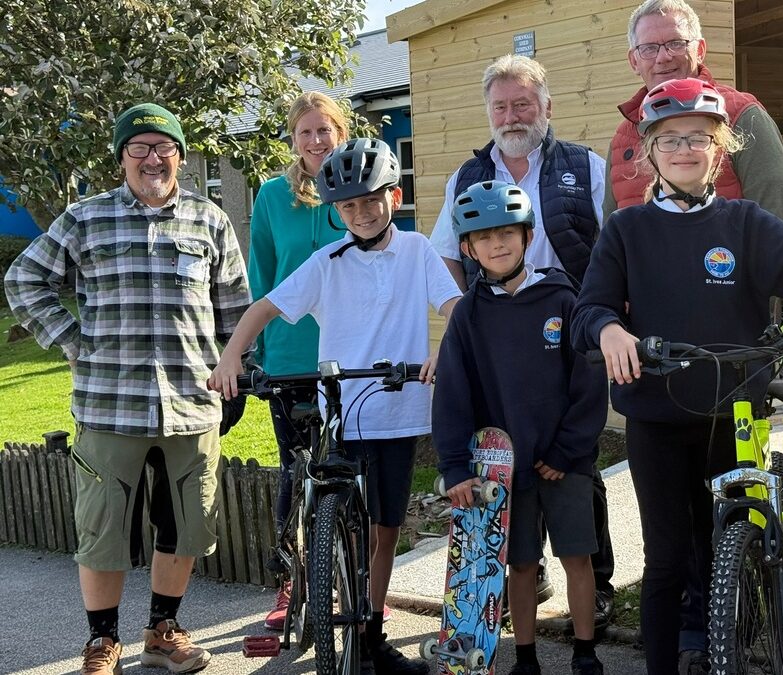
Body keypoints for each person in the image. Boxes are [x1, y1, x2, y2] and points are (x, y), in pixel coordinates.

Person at [570, 77, 783, 675]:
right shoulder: (627, 230)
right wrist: (608, 330)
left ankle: (728, 648)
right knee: (664, 562)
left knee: (724, 552)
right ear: (648, 152)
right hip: (656, 415)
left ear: (721, 149)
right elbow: (591, 307)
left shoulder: (744, 224)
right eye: (669, 140)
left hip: (734, 412)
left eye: (699, 138)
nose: (685, 149)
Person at [4, 103, 253, 675]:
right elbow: (24, 278)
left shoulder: (210, 220)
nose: (152, 158)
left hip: (192, 405)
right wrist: (73, 340)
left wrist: (234, 374)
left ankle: (164, 632)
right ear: (121, 159)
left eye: (163, 148)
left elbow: (234, 307)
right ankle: (102, 643)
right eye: (138, 148)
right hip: (108, 404)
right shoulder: (84, 218)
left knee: (186, 526)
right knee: (103, 530)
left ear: (181, 158)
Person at [208, 138, 462, 675]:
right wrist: (232, 355)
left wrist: (446, 345)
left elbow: (456, 305)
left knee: (386, 529)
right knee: (344, 521)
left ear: (394, 196)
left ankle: (371, 631)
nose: (362, 213)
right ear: (335, 210)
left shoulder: (416, 250)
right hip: (344, 411)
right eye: (348, 206)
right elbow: (264, 308)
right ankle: (325, 592)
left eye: (371, 201)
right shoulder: (326, 263)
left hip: (399, 408)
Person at [429, 52, 617, 629]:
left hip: (571, 329)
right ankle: (524, 587)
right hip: (499, 332)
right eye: (501, 106)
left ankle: (598, 585)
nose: (512, 115)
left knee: (576, 470)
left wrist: (606, 320)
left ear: (546, 108)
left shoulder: (585, 167)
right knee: (511, 470)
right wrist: (468, 321)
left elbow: (614, 247)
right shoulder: (466, 177)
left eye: (523, 104)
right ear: (488, 112)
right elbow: (444, 254)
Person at [432, 180, 608, 675]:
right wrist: (454, 466)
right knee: (521, 565)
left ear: (527, 236)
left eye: (507, 232)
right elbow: (452, 397)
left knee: (578, 558)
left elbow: (589, 384)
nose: (497, 244)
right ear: (467, 248)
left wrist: (568, 450)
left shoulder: (562, 299)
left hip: (564, 463)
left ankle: (585, 651)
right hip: (503, 471)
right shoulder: (468, 316)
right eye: (483, 238)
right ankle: (525, 656)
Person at [248, 91, 350, 631]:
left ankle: (344, 572)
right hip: (288, 355)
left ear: (342, 132)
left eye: (324, 130)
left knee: (348, 470)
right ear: (293, 139)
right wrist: (257, 351)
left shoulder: (359, 185)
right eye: (305, 132)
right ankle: (290, 581)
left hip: (349, 349)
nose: (316, 141)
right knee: (295, 469)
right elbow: (261, 274)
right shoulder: (270, 196)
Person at [605, 0, 783, 231]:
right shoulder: (622, 138)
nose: (663, 57)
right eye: (649, 48)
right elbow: (608, 239)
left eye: (676, 43)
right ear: (634, 61)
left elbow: (778, 233)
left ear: (700, 50)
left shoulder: (743, 117)